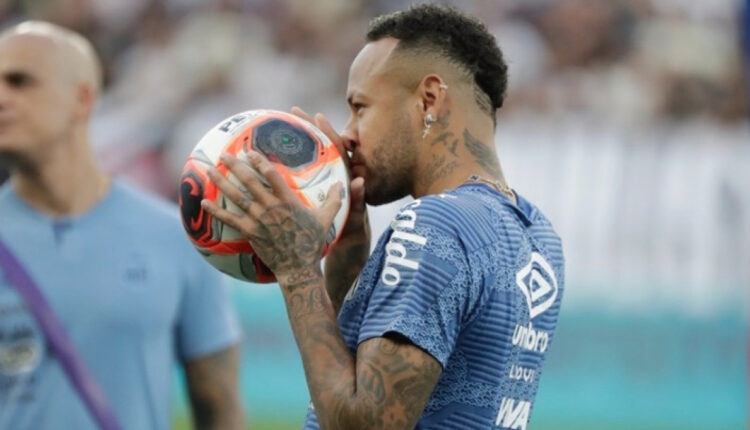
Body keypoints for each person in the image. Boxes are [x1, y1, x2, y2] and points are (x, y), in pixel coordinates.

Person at [203, 4, 564, 430]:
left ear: (429, 99)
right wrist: (349, 246)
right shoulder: (537, 232)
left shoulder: (437, 224)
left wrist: (297, 270)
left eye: (361, 107)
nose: (348, 132)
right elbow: (358, 378)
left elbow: (368, 423)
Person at [0, 21, 244, 430]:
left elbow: (221, 411)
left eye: (20, 82)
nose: (2, 97)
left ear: (82, 99)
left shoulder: (175, 238)